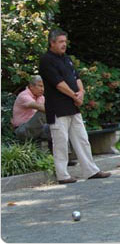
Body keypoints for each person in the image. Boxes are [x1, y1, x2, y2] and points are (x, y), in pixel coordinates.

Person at [38, 29, 111, 184]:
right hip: (57, 108)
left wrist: (81, 93)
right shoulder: (46, 60)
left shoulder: (67, 59)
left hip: (73, 106)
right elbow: (58, 83)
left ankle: (91, 170)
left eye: (65, 41)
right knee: (61, 142)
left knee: (82, 139)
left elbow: (76, 77)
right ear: (52, 43)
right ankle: (63, 175)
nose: (64, 44)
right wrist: (74, 95)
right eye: (60, 42)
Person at [11, 75, 49, 142]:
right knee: (43, 112)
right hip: (22, 130)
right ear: (31, 86)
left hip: (35, 128)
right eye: (40, 86)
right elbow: (40, 107)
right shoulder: (24, 95)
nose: (43, 89)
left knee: (57, 128)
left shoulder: (41, 97)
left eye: (44, 86)